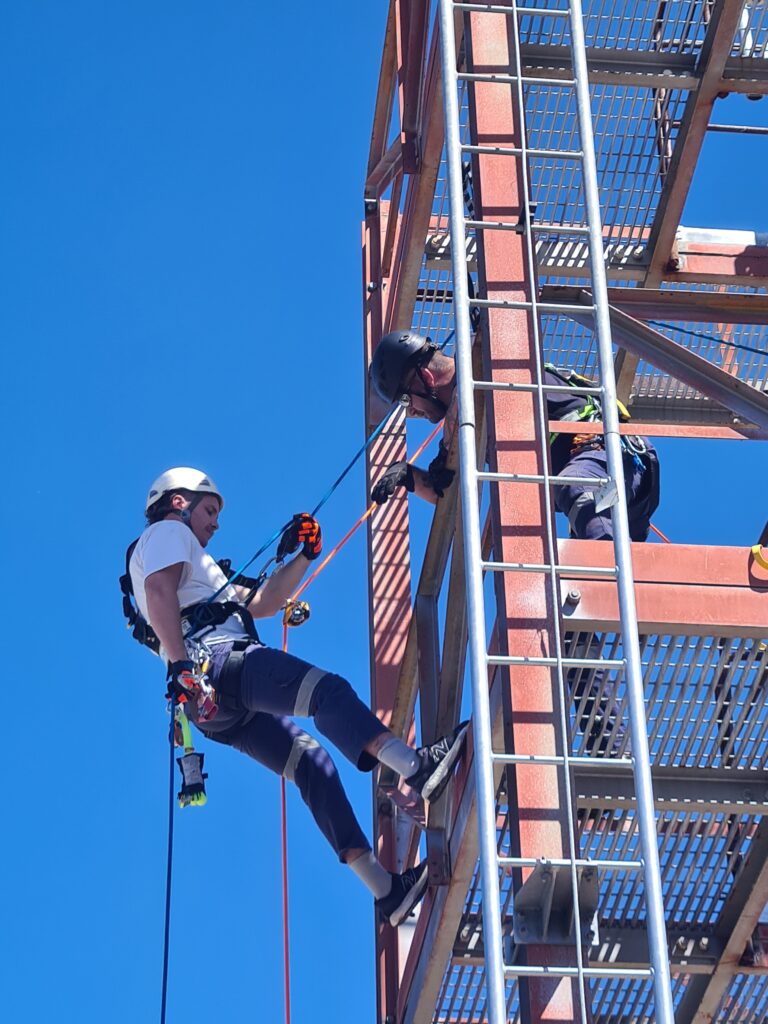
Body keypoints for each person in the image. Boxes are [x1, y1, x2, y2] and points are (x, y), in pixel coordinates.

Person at [125, 467, 469, 927]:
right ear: (179, 503)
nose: (216, 522)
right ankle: (418, 768)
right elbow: (158, 588)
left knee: (312, 765)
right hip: (220, 664)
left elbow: (263, 602)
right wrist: (183, 666)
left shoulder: (198, 571)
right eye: (209, 509)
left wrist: (304, 556)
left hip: (211, 704)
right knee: (327, 693)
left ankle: (387, 892)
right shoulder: (166, 534)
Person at [369, 331, 662, 756]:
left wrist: (482, 325)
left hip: (612, 459)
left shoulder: (487, 368)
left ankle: (621, 598)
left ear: (423, 379)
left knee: (573, 492)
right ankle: (612, 750)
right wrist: (408, 477)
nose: (412, 411)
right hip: (605, 504)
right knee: (568, 630)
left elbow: (502, 332)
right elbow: (444, 487)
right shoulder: (462, 419)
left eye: (406, 400)